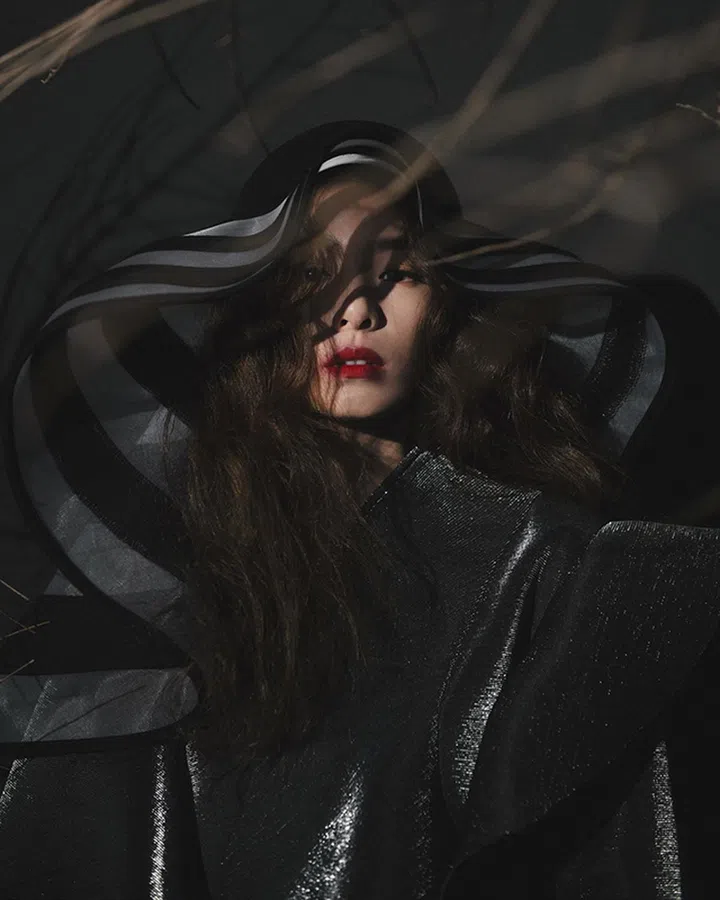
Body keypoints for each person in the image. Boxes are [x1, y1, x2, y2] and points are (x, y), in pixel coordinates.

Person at [1, 120, 720, 899]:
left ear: (445, 304)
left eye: (397, 273)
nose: (353, 310)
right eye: (312, 274)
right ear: (255, 304)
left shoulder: (534, 559)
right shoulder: (154, 574)